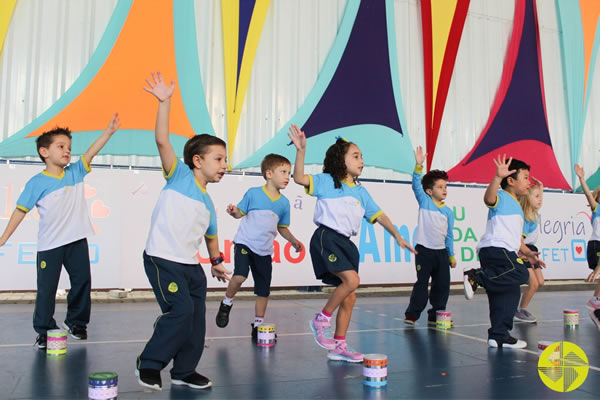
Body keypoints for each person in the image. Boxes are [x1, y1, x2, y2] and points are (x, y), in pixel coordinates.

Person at [136, 72, 231, 391]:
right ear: (196, 160)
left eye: (225, 160)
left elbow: (211, 235)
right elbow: (162, 140)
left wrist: (216, 260)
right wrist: (165, 102)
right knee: (181, 310)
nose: (224, 165)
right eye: (218, 158)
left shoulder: (208, 203)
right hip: (162, 259)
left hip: (191, 268)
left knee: (195, 321)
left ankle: (184, 370)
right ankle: (149, 363)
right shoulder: (178, 176)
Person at [289, 124, 416, 362]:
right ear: (341, 160)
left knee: (350, 295)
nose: (361, 161)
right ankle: (321, 319)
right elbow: (298, 178)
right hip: (328, 237)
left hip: (346, 243)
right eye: (355, 156)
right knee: (352, 281)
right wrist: (301, 151)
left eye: (362, 157)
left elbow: (380, 216)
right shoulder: (326, 181)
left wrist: (397, 235)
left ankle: (339, 346)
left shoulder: (361, 192)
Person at [0, 114, 121, 348]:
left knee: (82, 282)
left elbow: (91, 153)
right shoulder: (37, 182)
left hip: (76, 241)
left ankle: (76, 323)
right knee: (47, 289)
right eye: (61, 146)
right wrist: (4, 237)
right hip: (50, 245)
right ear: (44, 152)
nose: (67, 151)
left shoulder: (75, 172)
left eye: (69, 147)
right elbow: (19, 211)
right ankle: (44, 329)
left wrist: (108, 132)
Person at [216, 153, 302, 339]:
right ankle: (226, 303)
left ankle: (258, 326)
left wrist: (293, 241)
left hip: (264, 251)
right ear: (269, 174)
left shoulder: (284, 203)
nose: (288, 176)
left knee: (263, 290)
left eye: (289, 173)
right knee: (239, 276)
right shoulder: (253, 193)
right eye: (283, 172)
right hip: (245, 243)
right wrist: (233, 212)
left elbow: (282, 228)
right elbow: (240, 213)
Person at [463, 155, 545, 348]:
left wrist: (528, 252)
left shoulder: (517, 207)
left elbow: (517, 239)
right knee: (520, 273)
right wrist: (497, 178)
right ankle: (476, 277)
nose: (529, 182)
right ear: (511, 180)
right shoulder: (502, 196)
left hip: (503, 250)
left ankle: (499, 335)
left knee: (507, 293)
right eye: (525, 177)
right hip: (496, 248)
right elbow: (488, 199)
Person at [404, 146, 456, 325]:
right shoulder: (424, 200)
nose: (444, 190)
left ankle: (436, 314)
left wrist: (451, 254)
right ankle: (412, 314)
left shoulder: (448, 212)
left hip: (441, 253)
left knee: (442, 286)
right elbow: (415, 184)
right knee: (422, 283)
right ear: (428, 191)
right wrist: (418, 166)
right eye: (440, 187)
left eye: (445, 186)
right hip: (424, 251)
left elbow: (449, 236)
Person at [514, 178, 545, 323]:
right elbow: (520, 239)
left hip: (532, 249)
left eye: (541, 197)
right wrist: (524, 253)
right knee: (534, 283)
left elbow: (537, 198)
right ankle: (520, 310)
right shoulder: (525, 216)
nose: (540, 200)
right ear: (527, 198)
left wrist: (541, 188)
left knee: (540, 282)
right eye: (537, 197)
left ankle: (520, 307)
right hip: (524, 249)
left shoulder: (533, 213)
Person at [574, 164, 600, 330]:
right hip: (597, 244)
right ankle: (595, 301)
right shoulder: (597, 209)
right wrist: (582, 179)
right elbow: (589, 197)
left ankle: (596, 301)